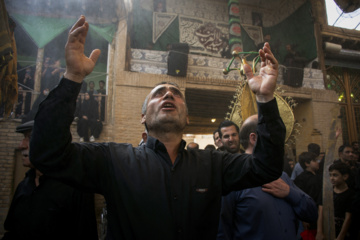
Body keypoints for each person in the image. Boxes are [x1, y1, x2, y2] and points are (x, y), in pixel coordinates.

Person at [30, 16, 285, 240]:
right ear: (143, 117)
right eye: (158, 93)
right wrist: (73, 77)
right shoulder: (114, 161)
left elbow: (265, 167)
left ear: (187, 118)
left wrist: (265, 99)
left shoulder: (214, 164)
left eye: (176, 93)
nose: (168, 95)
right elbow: (48, 154)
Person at [217, 114, 318, 240]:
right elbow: (222, 231)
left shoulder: (282, 177)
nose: (279, 142)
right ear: (254, 138)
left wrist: (289, 192)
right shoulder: (233, 179)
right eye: (273, 136)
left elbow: (312, 214)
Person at [2, 120, 98, 240]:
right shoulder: (23, 186)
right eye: (24, 138)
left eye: (30, 137)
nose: (21, 145)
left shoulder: (76, 188)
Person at [316, 162, 355, 240]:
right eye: (330, 175)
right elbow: (321, 212)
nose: (331, 178)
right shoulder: (326, 193)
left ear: (345, 176)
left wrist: (341, 236)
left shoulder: (351, 194)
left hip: (343, 233)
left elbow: (348, 218)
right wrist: (319, 231)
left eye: (335, 175)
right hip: (327, 230)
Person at [294, 151, 322, 238]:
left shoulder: (319, 176)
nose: (317, 162)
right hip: (310, 213)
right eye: (314, 160)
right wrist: (304, 218)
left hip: (321, 212)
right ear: (307, 163)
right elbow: (299, 199)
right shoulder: (301, 179)